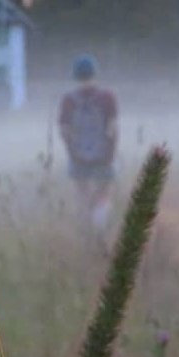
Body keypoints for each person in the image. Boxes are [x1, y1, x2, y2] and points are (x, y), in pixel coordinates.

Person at [58, 54, 119, 238]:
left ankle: (84, 233)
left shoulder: (69, 100)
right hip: (103, 156)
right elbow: (112, 129)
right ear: (95, 74)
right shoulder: (107, 97)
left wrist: (73, 152)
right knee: (103, 194)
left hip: (78, 156)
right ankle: (100, 231)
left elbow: (64, 130)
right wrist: (110, 154)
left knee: (82, 195)